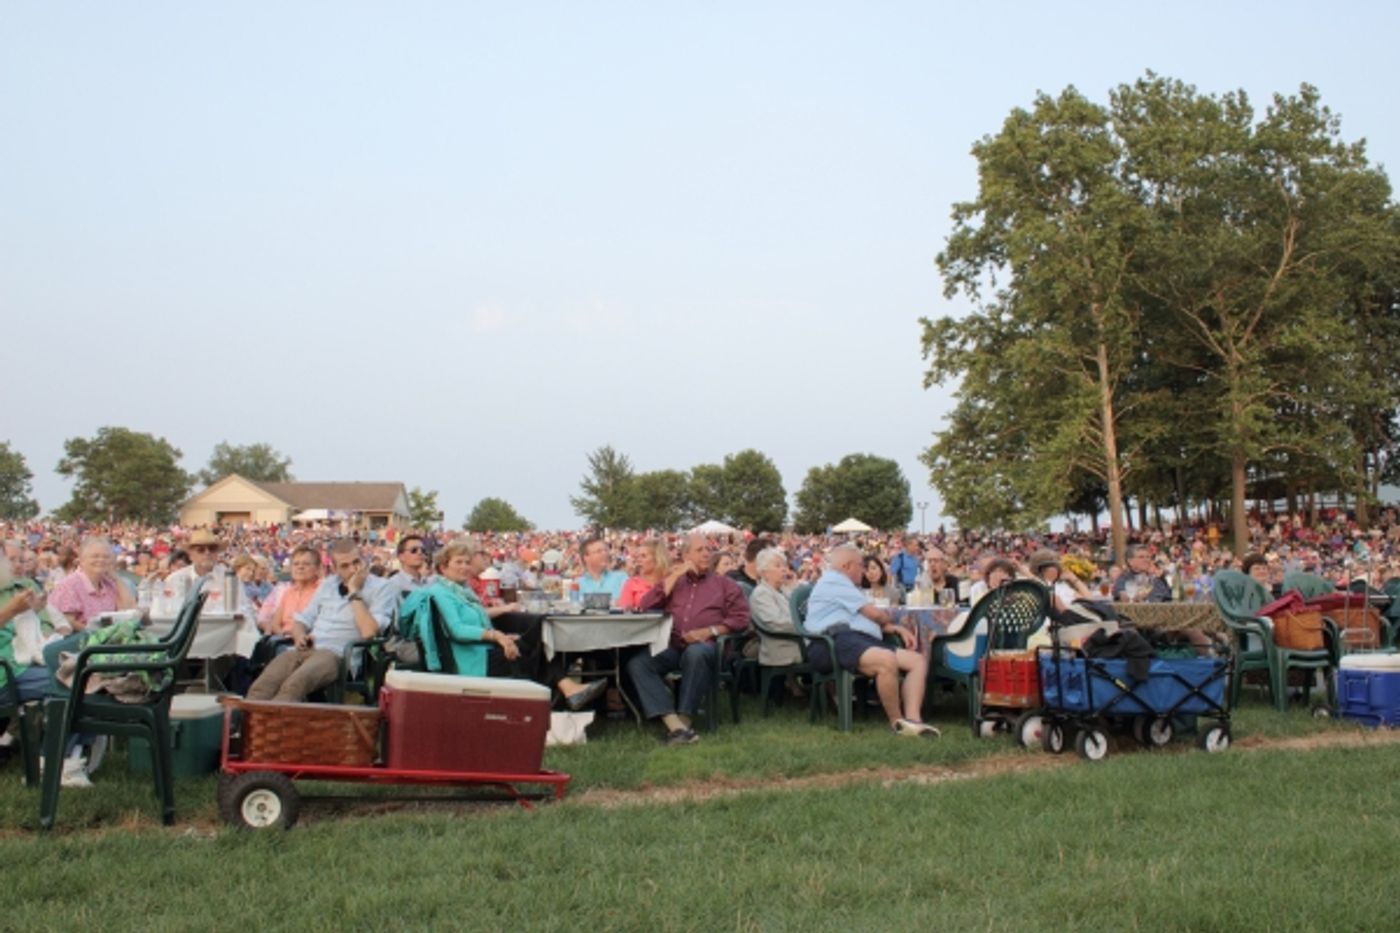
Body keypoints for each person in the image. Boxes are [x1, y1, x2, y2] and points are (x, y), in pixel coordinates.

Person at [399, 540, 607, 710]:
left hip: (481, 650)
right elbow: (457, 630)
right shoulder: (440, 593)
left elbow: (480, 622)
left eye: (467, 562)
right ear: (443, 567)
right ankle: (560, 695)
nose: (464, 567)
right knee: (532, 650)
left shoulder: (463, 590)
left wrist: (504, 637)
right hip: (468, 659)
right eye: (458, 562)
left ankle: (562, 695)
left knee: (531, 643)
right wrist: (497, 636)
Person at [628, 534, 751, 745]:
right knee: (638, 663)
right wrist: (675, 575)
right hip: (674, 646)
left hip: (709, 647)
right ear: (685, 556)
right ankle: (674, 725)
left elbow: (741, 619)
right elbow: (646, 606)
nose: (705, 553)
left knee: (697, 652)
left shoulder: (724, 584)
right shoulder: (675, 581)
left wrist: (710, 631)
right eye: (699, 550)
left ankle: (685, 720)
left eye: (707, 549)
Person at [803, 544, 938, 737]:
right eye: (861, 565)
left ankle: (914, 720)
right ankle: (897, 723)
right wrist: (888, 621)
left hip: (856, 639)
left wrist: (893, 628)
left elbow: (860, 618)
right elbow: (875, 615)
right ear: (848, 566)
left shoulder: (845, 585)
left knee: (917, 661)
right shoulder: (835, 580)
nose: (864, 571)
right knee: (886, 660)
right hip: (832, 641)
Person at [246, 539, 397, 703]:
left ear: (364, 560)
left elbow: (369, 632)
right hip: (308, 647)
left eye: (356, 562)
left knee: (293, 685)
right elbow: (302, 620)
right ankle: (250, 726)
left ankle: (276, 726)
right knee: (262, 685)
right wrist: (300, 635)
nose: (353, 569)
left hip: (338, 655)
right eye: (345, 566)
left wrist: (354, 592)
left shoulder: (381, 587)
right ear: (334, 568)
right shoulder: (328, 585)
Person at [47, 536, 135, 632]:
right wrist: (97, 635)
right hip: (83, 643)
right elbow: (67, 621)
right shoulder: (70, 585)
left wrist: (116, 578)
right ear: (82, 560)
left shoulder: (108, 583)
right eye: (95, 556)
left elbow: (129, 611)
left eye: (106, 557)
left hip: (109, 639)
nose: (101, 560)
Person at [749, 547, 802, 668]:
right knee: (829, 651)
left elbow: (799, 611)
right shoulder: (761, 594)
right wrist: (806, 626)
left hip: (797, 641)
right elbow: (776, 623)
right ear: (764, 572)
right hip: (784, 647)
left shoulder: (784, 590)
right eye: (778, 566)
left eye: (784, 565)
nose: (784, 569)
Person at [256, 545, 323, 636]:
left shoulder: (323, 592)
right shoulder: (288, 592)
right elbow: (276, 624)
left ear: (317, 569)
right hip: (284, 640)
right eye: (296, 564)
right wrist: (284, 636)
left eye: (306, 564)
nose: (300, 567)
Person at [619, 538, 669, 611]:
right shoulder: (631, 583)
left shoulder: (670, 581)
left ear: (657, 558)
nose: (638, 560)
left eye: (643, 556)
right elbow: (625, 615)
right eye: (638, 556)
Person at [576, 536, 627, 603]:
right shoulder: (578, 584)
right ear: (586, 557)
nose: (605, 554)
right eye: (599, 551)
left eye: (606, 550)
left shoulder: (621, 578)